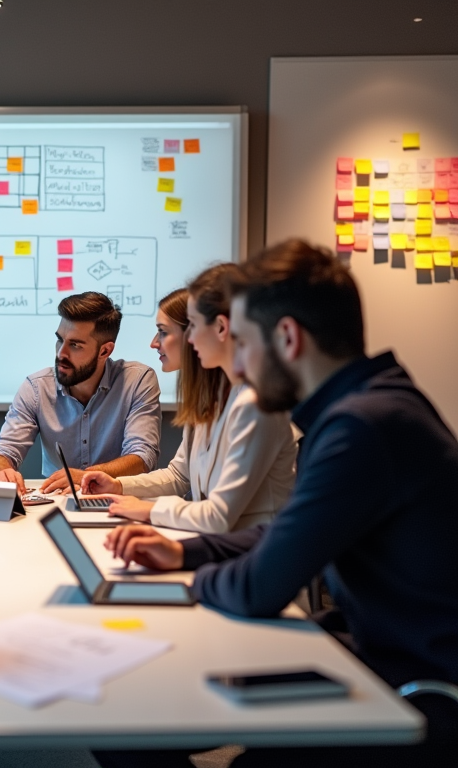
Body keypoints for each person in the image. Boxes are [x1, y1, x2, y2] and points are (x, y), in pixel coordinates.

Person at [97, 240, 458, 768]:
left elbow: (261, 585)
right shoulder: (368, 406)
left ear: (287, 338)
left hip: (418, 684)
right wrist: (184, 555)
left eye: (242, 342)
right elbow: (289, 531)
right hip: (377, 648)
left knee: (140, 723)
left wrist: (186, 585)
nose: (236, 362)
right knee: (132, 714)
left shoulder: (363, 427)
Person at [81, 267, 297, 533]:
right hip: (221, 546)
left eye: (191, 326)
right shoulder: (209, 398)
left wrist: (149, 509)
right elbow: (179, 476)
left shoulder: (257, 403)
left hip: (253, 556)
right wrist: (119, 486)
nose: (154, 343)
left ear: (220, 328)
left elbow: (218, 515)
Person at [0, 291, 161, 495]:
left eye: (75, 345)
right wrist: (1, 470)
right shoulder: (36, 387)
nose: (61, 354)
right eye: (60, 340)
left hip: (120, 500)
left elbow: (142, 456)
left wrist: (87, 476)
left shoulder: (137, 381)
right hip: (59, 500)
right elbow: (1, 451)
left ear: (105, 351)